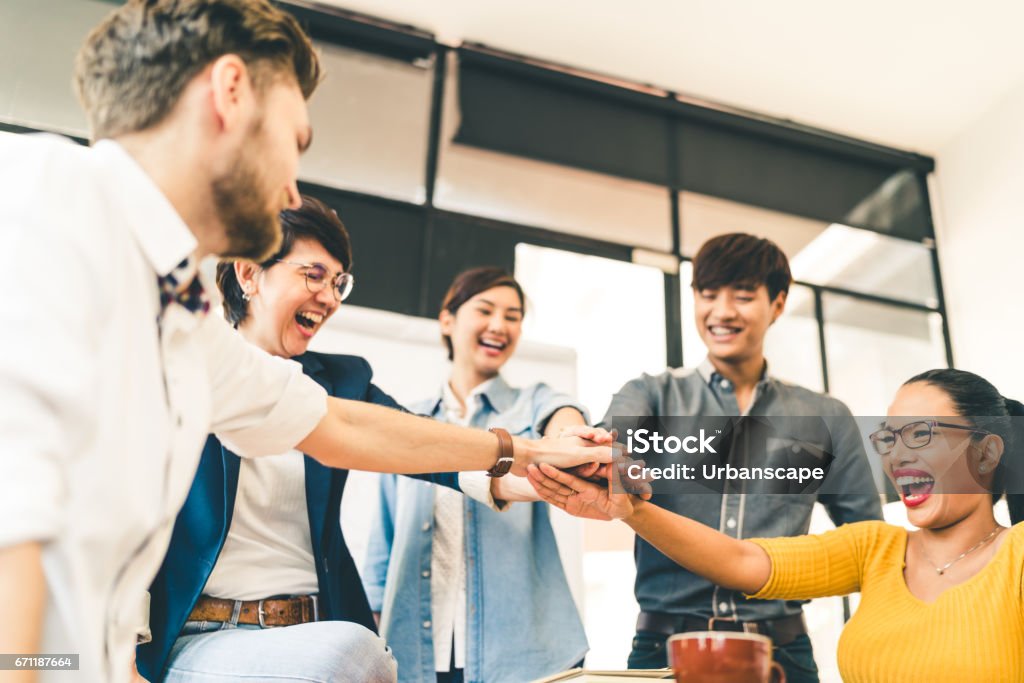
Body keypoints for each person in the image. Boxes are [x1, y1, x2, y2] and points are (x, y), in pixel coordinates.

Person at [0, 3, 610, 682]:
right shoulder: (46, 199)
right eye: (296, 141)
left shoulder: (183, 318)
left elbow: (335, 421)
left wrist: (523, 448)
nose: (291, 184)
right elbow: (14, 532)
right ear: (230, 91)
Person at [137, 196, 509, 682]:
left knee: (347, 653)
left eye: (339, 282)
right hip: (201, 637)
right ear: (249, 275)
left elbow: (425, 451)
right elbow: (128, 521)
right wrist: (125, 655)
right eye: (314, 275)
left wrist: (530, 472)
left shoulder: (342, 381)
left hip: (318, 628)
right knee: (349, 655)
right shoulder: (193, 368)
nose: (331, 297)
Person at [529, 368, 1024, 682]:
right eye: (888, 438)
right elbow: (742, 559)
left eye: (920, 433)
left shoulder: (1017, 554)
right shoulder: (876, 547)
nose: (896, 453)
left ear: (986, 452)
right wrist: (630, 510)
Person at [589, 233, 881, 682]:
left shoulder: (825, 416)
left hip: (783, 654)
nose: (722, 311)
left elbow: (867, 542)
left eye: (743, 296)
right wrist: (615, 462)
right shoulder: (650, 393)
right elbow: (610, 445)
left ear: (778, 304)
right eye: (708, 295)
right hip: (664, 652)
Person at [363, 267, 590, 683]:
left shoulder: (530, 403)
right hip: (416, 651)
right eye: (485, 310)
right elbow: (383, 537)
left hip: (524, 651)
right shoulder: (409, 423)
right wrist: (372, 631)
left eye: (513, 316)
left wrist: (568, 434)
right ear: (447, 320)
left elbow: (561, 416)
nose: (499, 325)